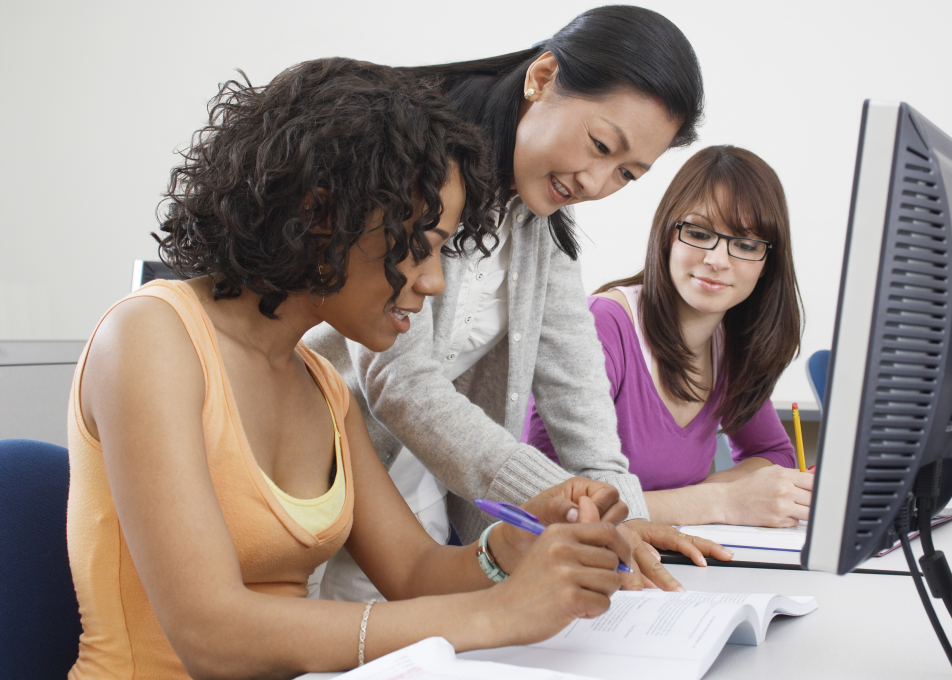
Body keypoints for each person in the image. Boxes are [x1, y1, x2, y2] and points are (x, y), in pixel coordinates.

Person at [67, 58, 636, 679]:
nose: (435, 283)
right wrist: (498, 613)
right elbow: (212, 635)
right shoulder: (150, 338)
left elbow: (414, 572)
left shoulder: (318, 384)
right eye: (421, 247)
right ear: (321, 216)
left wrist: (510, 547)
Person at [305, 5, 730, 601]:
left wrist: (621, 511)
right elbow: (398, 380)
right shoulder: (413, 163)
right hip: (311, 463)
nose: (595, 180)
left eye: (627, 174)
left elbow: (576, 386)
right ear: (543, 76)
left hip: (404, 488)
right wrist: (559, 499)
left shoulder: (538, 214)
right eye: (601, 144)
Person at [526, 145, 814, 528]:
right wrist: (719, 501)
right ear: (667, 234)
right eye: (698, 232)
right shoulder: (602, 326)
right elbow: (555, 502)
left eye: (745, 245)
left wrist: (717, 499)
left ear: (767, 264)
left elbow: (774, 455)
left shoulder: (731, 345)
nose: (717, 260)